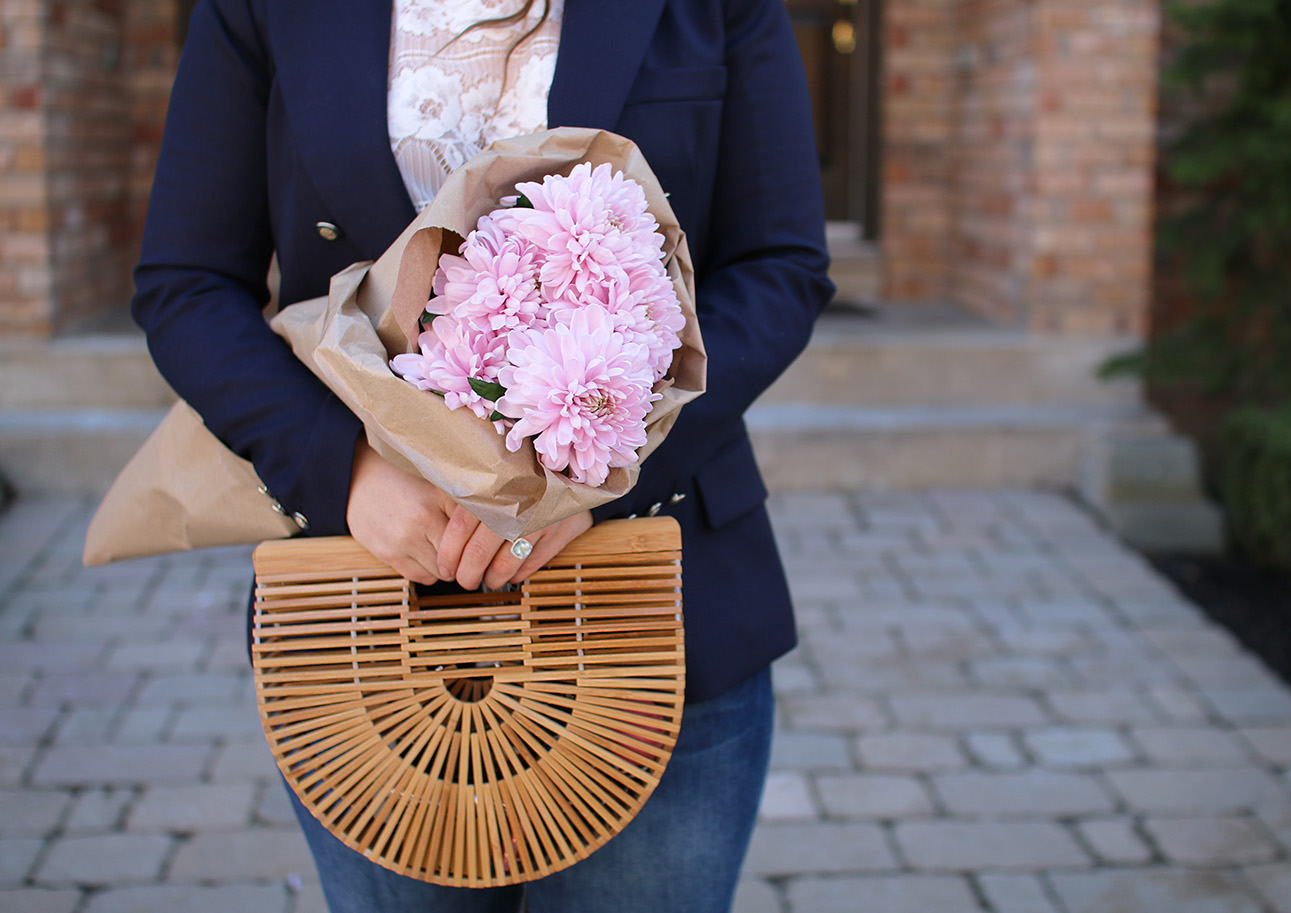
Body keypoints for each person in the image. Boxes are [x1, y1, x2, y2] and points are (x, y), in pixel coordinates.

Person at [132, 0, 833, 910]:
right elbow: (186, 282)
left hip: (656, 604)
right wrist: (345, 473)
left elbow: (780, 262)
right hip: (371, 613)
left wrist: (598, 470)